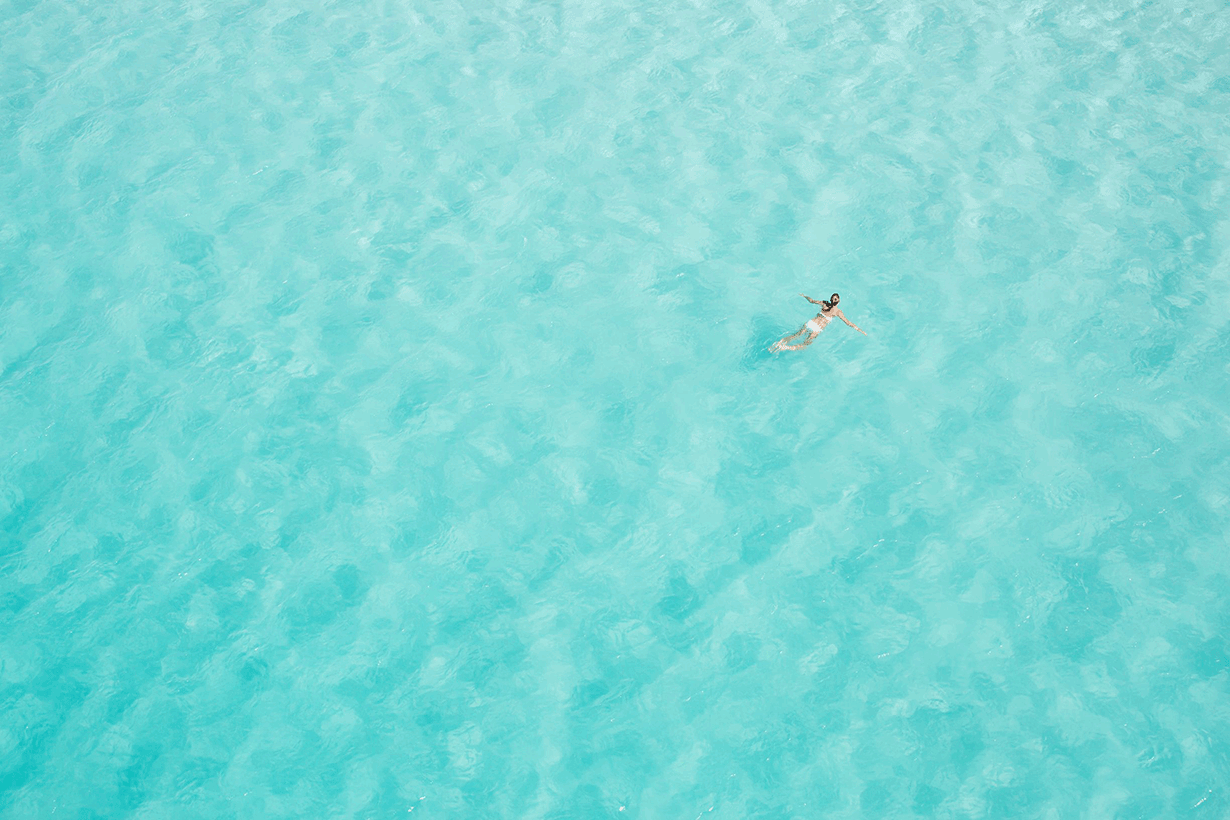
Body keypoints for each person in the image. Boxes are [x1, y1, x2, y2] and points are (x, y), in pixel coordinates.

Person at [770, 292, 867, 352]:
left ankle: (780, 342)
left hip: (811, 322)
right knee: (805, 344)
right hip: (817, 328)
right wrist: (860, 330)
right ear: (839, 301)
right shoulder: (838, 312)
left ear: (830, 299)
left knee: (795, 335)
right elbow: (849, 323)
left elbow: (811, 301)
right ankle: (786, 348)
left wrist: (804, 296)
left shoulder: (824, 303)